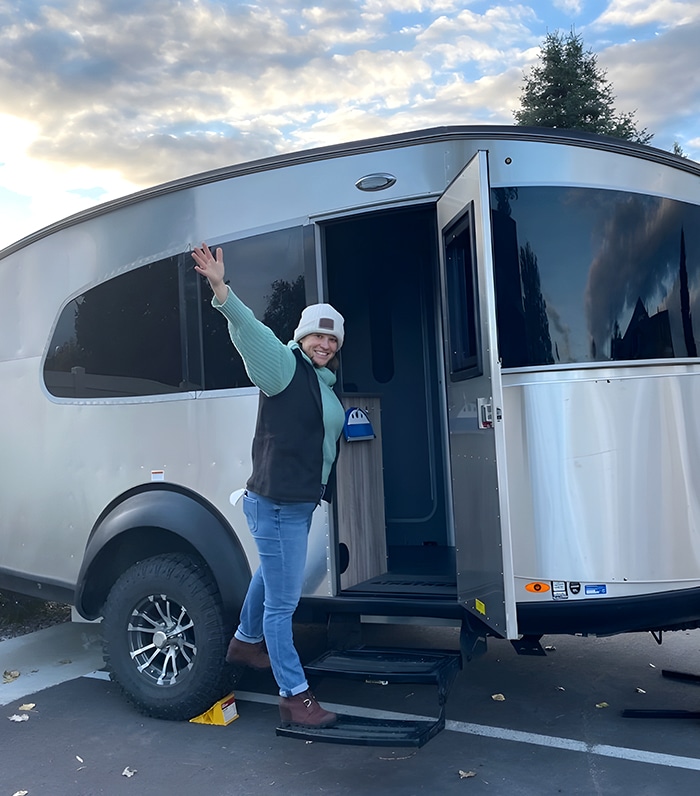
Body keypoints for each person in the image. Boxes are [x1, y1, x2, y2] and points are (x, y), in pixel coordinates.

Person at [192, 242, 344, 729]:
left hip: (294, 504)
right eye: (318, 336)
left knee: (272, 578)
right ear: (302, 337)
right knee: (284, 602)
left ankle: (244, 640)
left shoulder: (323, 384)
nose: (325, 345)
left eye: (333, 340)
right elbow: (250, 331)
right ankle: (294, 696)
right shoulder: (283, 367)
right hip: (276, 503)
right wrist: (221, 289)